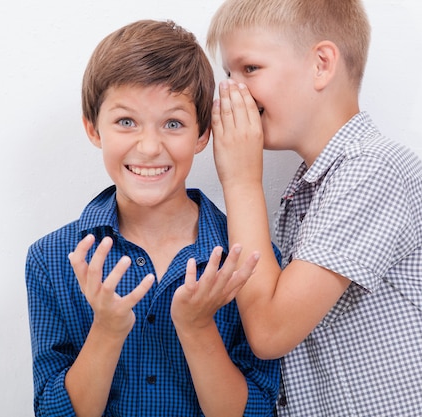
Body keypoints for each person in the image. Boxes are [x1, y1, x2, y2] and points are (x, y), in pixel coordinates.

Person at [205, 0, 422, 415]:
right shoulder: (310, 191)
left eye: (250, 69)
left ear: (321, 64)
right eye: (229, 73)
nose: (233, 90)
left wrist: (241, 180)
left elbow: (269, 330)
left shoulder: (373, 169)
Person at [25, 19, 280, 417]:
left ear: (201, 136)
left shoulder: (246, 260)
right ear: (93, 128)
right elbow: (53, 412)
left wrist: (197, 327)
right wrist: (107, 328)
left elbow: (258, 412)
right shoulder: (51, 259)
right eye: (126, 121)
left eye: (173, 123)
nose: (148, 147)